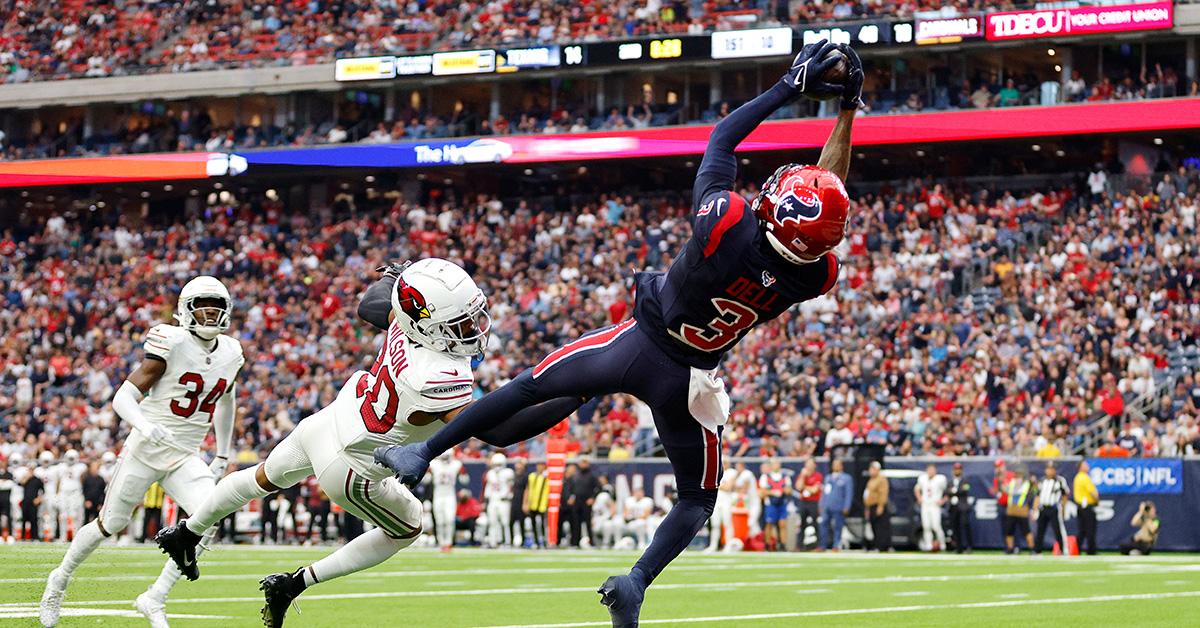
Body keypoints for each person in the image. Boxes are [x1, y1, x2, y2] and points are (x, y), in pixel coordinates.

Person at [376, 40, 863, 627]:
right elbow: (827, 199)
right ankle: (635, 581)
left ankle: (422, 451)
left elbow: (721, 141)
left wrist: (791, 86)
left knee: (533, 385)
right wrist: (847, 110)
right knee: (697, 499)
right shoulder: (816, 273)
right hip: (691, 379)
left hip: (637, 345)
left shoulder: (729, 224)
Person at [154, 259, 524, 627]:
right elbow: (494, 431)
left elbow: (372, 305)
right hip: (354, 464)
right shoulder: (440, 373)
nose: (472, 328)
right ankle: (292, 584)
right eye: (460, 322)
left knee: (260, 478)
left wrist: (403, 279)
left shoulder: (403, 323)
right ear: (429, 324)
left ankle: (188, 532)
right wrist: (556, 389)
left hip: (330, 421)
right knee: (409, 526)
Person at [40, 276, 242, 628]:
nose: (210, 313)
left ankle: (155, 597)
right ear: (185, 309)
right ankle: (59, 578)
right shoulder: (172, 341)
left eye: (216, 306)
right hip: (146, 450)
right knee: (111, 524)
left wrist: (222, 453)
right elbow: (123, 396)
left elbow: (227, 400)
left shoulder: (231, 351)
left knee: (209, 516)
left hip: (185, 454)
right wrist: (146, 426)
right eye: (202, 305)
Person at [429, 451, 464, 551]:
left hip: (449, 495)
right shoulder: (434, 464)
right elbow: (426, 478)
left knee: (449, 520)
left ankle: (448, 542)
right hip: (438, 495)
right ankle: (441, 542)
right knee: (440, 521)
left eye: (446, 457)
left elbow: (465, 479)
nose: (445, 459)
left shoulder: (456, 464)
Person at [1034, 462, 1069, 555]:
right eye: (1048, 469)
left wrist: (1064, 509)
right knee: (1040, 530)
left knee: (1058, 530)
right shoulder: (1042, 481)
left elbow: (1065, 495)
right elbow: (1037, 496)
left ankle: (1062, 550)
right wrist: (1035, 510)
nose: (1049, 471)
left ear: (1055, 470)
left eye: (1051, 469)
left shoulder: (1060, 480)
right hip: (1043, 508)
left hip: (1054, 508)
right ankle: (1037, 551)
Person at [819, 459, 853, 551]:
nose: (835, 466)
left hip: (838, 506)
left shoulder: (846, 478)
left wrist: (847, 506)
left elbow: (848, 493)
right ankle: (822, 545)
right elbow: (824, 493)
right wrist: (821, 504)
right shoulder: (828, 477)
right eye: (834, 464)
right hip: (827, 506)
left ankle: (836, 545)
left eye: (837, 464)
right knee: (823, 525)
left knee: (838, 526)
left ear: (841, 466)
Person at [483, 453, 514, 548]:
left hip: (503, 500)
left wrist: (508, 496)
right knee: (492, 522)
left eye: (499, 464)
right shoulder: (490, 473)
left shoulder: (508, 472)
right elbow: (488, 487)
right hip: (493, 500)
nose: (497, 467)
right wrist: (486, 497)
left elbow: (511, 486)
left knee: (505, 522)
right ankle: (493, 541)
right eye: (495, 464)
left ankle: (507, 541)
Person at [759, 458, 790, 552]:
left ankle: (783, 544)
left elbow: (789, 490)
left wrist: (783, 491)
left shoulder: (785, 477)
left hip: (782, 503)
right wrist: (773, 492)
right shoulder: (765, 477)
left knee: (782, 524)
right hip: (771, 504)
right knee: (769, 524)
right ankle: (768, 544)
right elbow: (762, 492)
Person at [55, 450, 86, 542]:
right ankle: (62, 537)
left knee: (75, 515)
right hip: (64, 492)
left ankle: (76, 537)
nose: (71, 460)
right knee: (63, 515)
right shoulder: (60, 467)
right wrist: (57, 493)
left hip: (76, 492)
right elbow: (58, 481)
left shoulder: (81, 467)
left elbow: (83, 479)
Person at [915, 463, 947, 552]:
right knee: (926, 526)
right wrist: (919, 498)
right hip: (925, 505)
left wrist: (943, 500)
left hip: (934, 505)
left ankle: (942, 544)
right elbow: (917, 489)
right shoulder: (922, 478)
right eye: (929, 470)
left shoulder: (940, 479)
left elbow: (947, 491)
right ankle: (928, 545)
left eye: (932, 470)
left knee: (936, 526)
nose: (930, 472)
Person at [1004, 468, 1036, 554]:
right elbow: (1005, 490)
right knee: (1009, 530)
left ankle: (1032, 548)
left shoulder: (1027, 484)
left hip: (1022, 510)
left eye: (1019, 474)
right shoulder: (1012, 482)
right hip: (1011, 509)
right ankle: (1010, 548)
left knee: (1026, 530)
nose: (1017, 476)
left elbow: (1033, 491)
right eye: (1016, 474)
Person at [706, 459, 735, 552]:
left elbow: (728, 487)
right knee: (715, 525)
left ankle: (728, 545)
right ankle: (713, 545)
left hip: (726, 501)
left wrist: (716, 485)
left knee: (727, 524)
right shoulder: (715, 473)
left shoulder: (731, 472)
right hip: (716, 502)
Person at [571, 458, 601, 547]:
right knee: (576, 523)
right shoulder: (575, 475)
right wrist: (571, 497)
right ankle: (575, 543)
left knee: (588, 523)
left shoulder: (592, 476)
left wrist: (592, 498)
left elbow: (598, 488)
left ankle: (591, 542)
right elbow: (571, 488)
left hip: (587, 502)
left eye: (585, 462)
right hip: (577, 502)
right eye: (582, 462)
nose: (583, 465)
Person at [863, 461, 890, 552]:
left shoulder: (881, 479)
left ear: (877, 469)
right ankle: (876, 545)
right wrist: (867, 508)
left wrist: (881, 506)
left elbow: (883, 493)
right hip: (871, 507)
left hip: (877, 506)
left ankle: (881, 546)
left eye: (872, 469)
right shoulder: (871, 480)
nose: (870, 471)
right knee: (874, 527)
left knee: (880, 527)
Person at [795, 458, 822, 551]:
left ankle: (818, 545)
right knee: (801, 524)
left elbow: (815, 490)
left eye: (811, 463)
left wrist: (805, 487)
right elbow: (798, 487)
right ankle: (799, 545)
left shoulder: (818, 475)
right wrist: (803, 476)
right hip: (803, 502)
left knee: (815, 523)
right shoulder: (802, 475)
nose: (809, 465)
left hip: (814, 502)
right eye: (807, 463)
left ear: (815, 465)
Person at [1073, 460, 1099, 555]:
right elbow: (1093, 493)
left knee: (1082, 530)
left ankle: (1077, 549)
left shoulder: (1077, 477)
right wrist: (1097, 501)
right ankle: (1091, 550)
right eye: (1085, 465)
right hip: (1087, 507)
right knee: (1090, 530)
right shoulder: (1085, 477)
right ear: (1081, 467)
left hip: (1080, 507)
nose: (1088, 466)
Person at [947, 462, 973, 553]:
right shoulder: (950, 481)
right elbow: (947, 491)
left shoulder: (965, 480)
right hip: (953, 507)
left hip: (963, 506)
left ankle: (969, 546)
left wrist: (954, 491)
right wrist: (956, 491)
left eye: (958, 469)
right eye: (955, 469)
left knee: (965, 525)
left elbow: (965, 489)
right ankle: (959, 547)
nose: (957, 471)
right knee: (955, 527)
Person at [734, 461, 762, 537]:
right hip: (748, 502)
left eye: (738, 466)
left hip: (754, 502)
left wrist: (737, 489)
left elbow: (744, 488)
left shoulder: (747, 473)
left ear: (742, 466)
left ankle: (759, 541)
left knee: (751, 522)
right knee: (752, 524)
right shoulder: (739, 475)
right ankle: (757, 543)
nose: (736, 468)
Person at [526, 462, 550, 548]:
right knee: (534, 524)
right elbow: (527, 489)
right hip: (533, 503)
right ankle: (536, 541)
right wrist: (525, 503)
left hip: (543, 504)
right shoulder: (532, 476)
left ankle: (544, 541)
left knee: (543, 524)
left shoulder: (547, 476)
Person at [509, 459, 529, 547]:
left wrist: (525, 503)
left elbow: (527, 490)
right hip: (514, 501)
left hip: (521, 501)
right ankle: (511, 540)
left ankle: (523, 540)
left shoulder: (525, 476)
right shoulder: (514, 475)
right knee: (511, 522)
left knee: (521, 522)